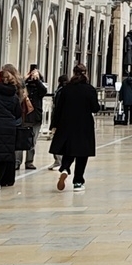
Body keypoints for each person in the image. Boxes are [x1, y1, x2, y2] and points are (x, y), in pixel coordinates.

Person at [49, 64, 99, 192]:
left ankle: (65, 168)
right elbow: (95, 108)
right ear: (86, 73)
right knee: (82, 153)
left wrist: (54, 124)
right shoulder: (90, 89)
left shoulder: (66, 89)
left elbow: (58, 108)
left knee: (69, 150)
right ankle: (78, 181)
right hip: (84, 125)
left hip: (67, 124)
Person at [21, 66, 48, 170]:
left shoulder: (39, 87)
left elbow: (44, 91)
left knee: (32, 140)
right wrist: (24, 79)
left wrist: (37, 81)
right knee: (21, 138)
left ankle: (29, 161)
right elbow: (18, 88)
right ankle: (18, 161)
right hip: (24, 114)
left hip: (35, 116)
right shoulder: (24, 85)